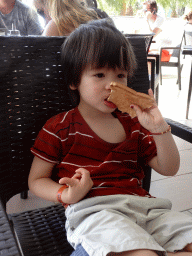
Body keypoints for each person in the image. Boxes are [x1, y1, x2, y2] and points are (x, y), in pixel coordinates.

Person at [28, 19, 192, 256]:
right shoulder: (60, 127)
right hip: (96, 212)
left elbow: (169, 168)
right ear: (75, 80)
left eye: (121, 75)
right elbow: (36, 180)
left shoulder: (133, 123)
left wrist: (159, 128)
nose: (112, 84)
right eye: (99, 74)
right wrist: (65, 194)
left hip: (147, 209)